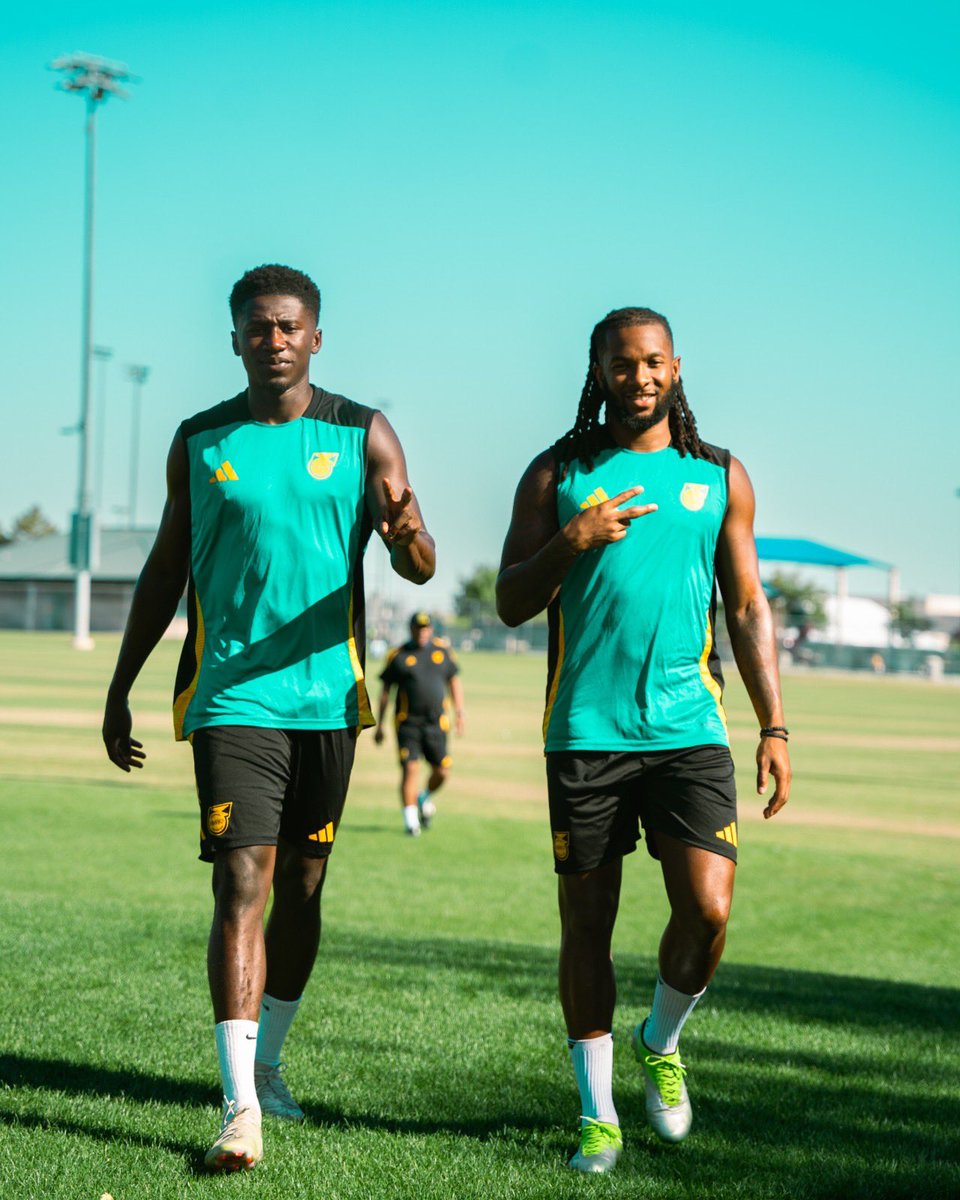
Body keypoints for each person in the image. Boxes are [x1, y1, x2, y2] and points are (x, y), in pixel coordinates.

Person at [101, 264, 435, 1172]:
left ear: (315, 337)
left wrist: (407, 533)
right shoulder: (202, 441)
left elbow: (419, 564)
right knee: (242, 880)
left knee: (305, 887)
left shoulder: (362, 432)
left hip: (329, 697)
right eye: (257, 326)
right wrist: (121, 682)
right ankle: (239, 1105)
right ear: (236, 337)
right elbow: (165, 570)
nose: (274, 338)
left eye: (289, 326)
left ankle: (272, 1060)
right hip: (232, 699)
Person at [496, 307, 791, 1174]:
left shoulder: (718, 476)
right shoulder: (557, 472)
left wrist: (774, 723)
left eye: (654, 362)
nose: (640, 378)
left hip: (688, 730)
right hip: (585, 733)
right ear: (598, 370)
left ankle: (661, 1039)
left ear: (677, 367)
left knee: (707, 910)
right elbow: (512, 598)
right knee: (587, 924)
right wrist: (571, 540)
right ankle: (596, 1115)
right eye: (622, 364)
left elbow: (745, 606)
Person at [373, 612, 465, 836]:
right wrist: (380, 724)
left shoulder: (442, 652)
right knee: (410, 768)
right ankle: (411, 822)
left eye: (426, 628)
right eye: (418, 628)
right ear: (411, 629)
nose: (422, 632)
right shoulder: (399, 655)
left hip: (436, 723)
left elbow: (453, 681)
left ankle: (423, 797)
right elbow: (386, 691)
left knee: (442, 771)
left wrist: (460, 713)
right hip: (408, 724)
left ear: (431, 629)